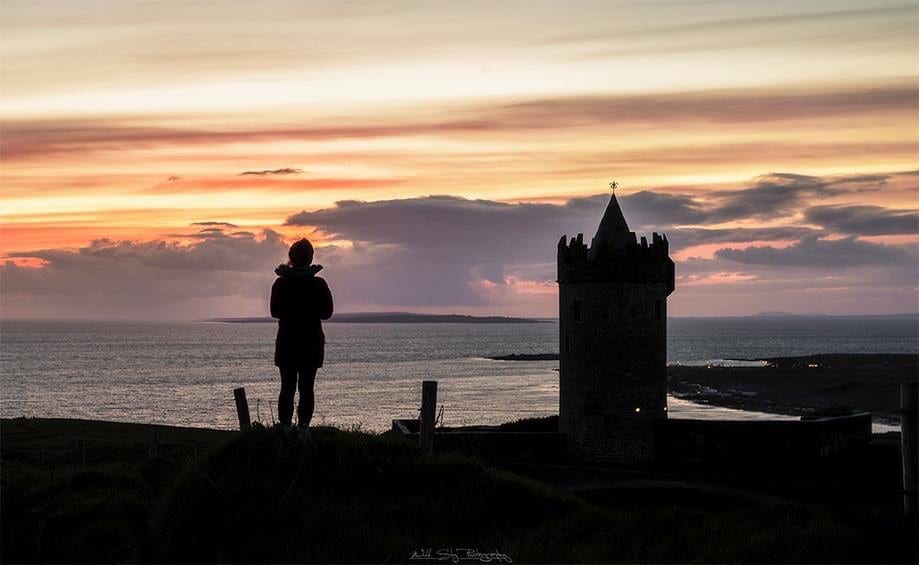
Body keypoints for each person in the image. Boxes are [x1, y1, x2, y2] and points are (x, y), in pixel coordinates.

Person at [270, 238, 333, 433]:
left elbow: (274, 312)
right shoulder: (318, 284)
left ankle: (285, 427)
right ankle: (303, 428)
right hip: (311, 343)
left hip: (287, 341)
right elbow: (327, 313)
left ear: (291, 258)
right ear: (310, 258)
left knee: (287, 386)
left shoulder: (280, 283)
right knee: (307, 387)